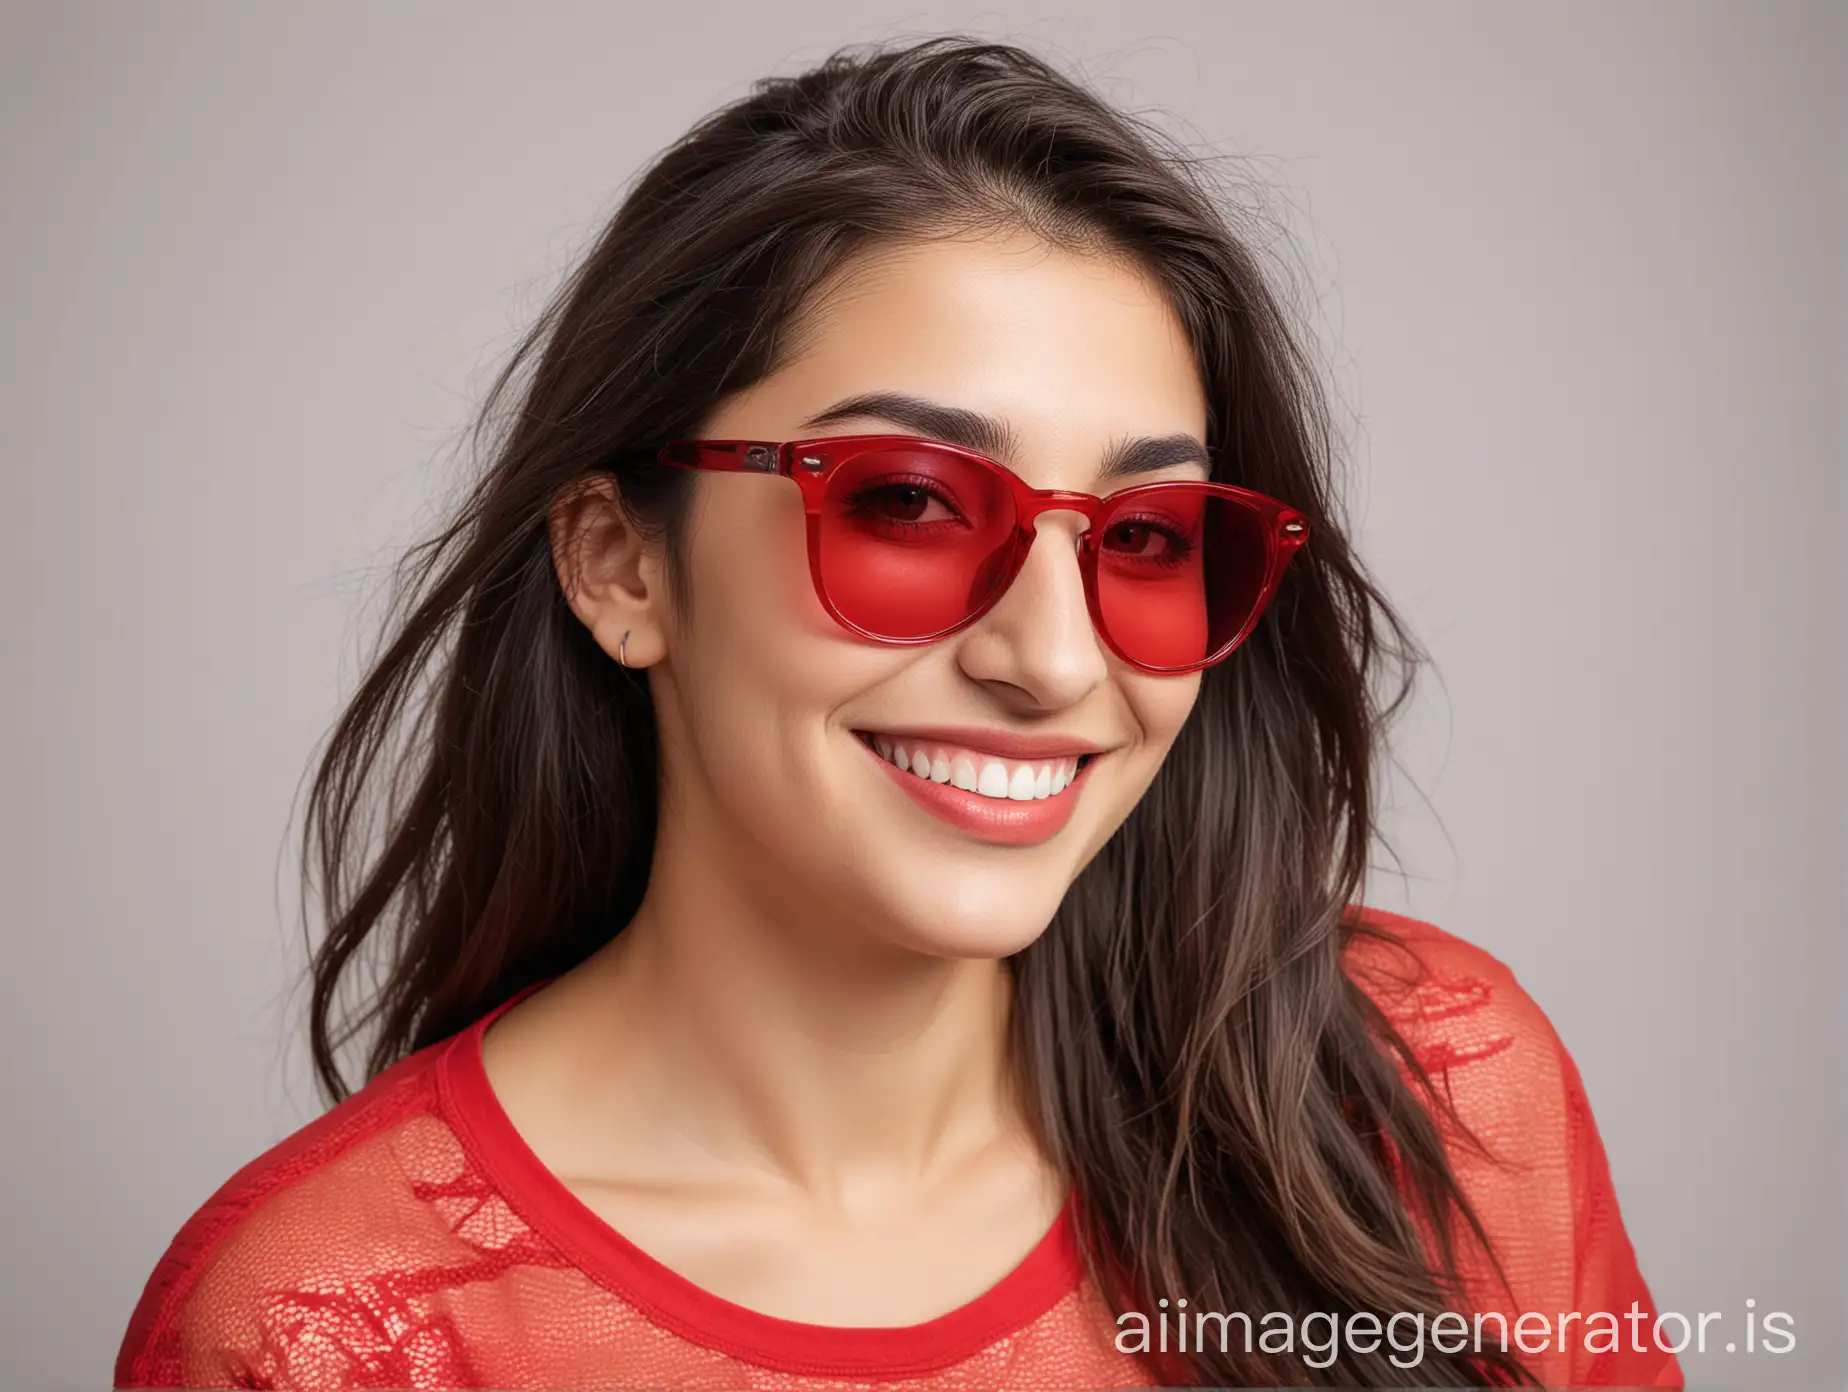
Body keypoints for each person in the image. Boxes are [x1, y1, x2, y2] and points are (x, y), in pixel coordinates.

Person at [114, 35, 1680, 1390]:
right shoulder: (325, 1326)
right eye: (915, 506)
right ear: (619, 565)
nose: (1052, 661)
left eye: (1143, 538)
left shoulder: (1428, 1093)